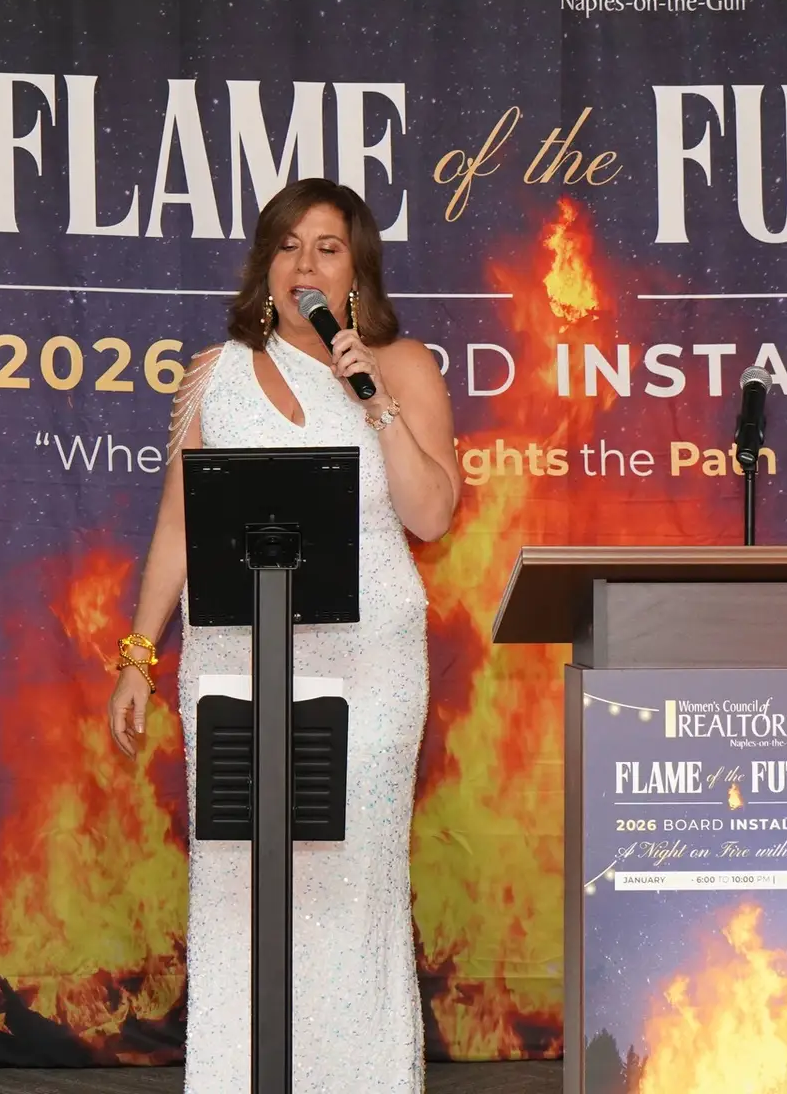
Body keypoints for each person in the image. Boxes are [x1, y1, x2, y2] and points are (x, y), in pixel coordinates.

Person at [104, 178, 459, 1092]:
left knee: (349, 881)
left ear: (356, 272)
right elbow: (179, 524)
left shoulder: (403, 366)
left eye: (328, 247)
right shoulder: (212, 375)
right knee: (240, 887)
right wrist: (139, 657)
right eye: (289, 245)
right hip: (237, 663)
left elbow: (430, 515)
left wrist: (373, 399)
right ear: (266, 266)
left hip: (370, 666)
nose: (306, 263)